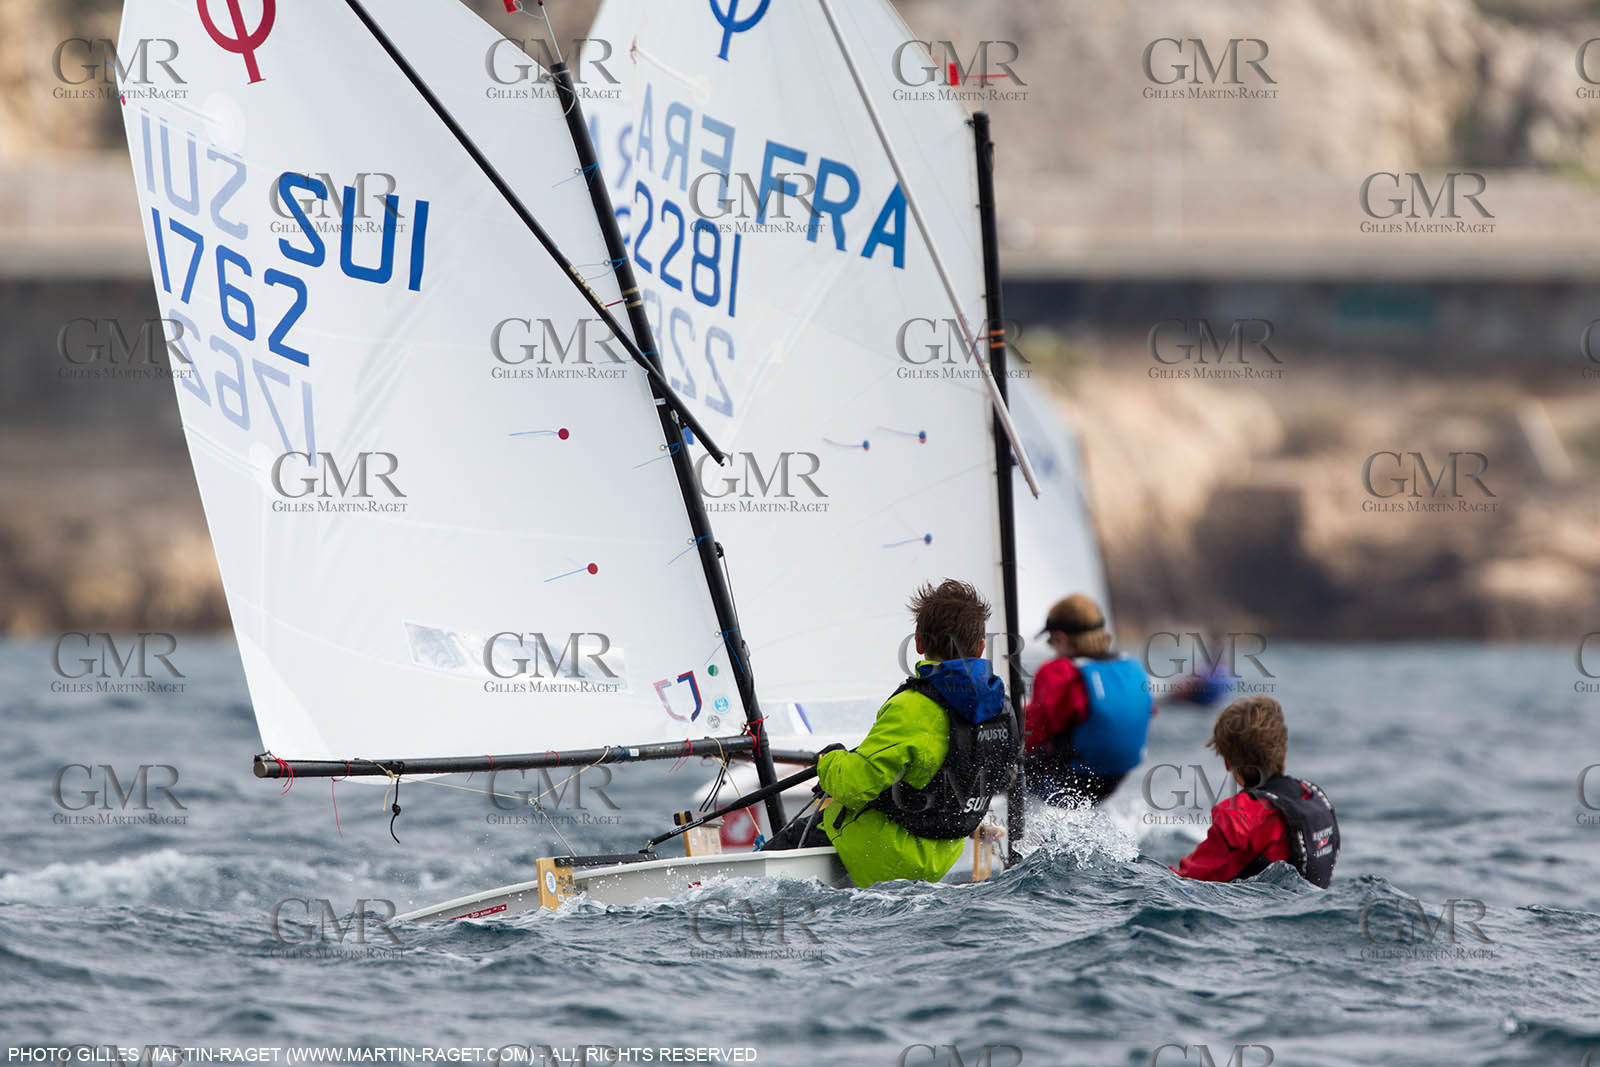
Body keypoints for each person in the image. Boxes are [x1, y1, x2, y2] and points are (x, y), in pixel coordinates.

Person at [762, 579, 1016, 888]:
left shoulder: (913, 706)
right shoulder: (1001, 708)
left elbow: (853, 785)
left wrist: (829, 760)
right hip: (944, 852)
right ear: (981, 646)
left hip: (887, 851)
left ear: (920, 644)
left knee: (768, 863)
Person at [1172, 696, 1340, 888]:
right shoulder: (1313, 797)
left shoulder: (1239, 816)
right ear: (1282, 750)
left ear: (1228, 764)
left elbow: (1187, 881)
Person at [1023, 594, 1154, 805]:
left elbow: (1032, 734)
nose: (1051, 647)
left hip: (1068, 780)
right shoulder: (1132, 666)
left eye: (1051, 640)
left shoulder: (1058, 672)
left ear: (1062, 638)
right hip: (1115, 778)